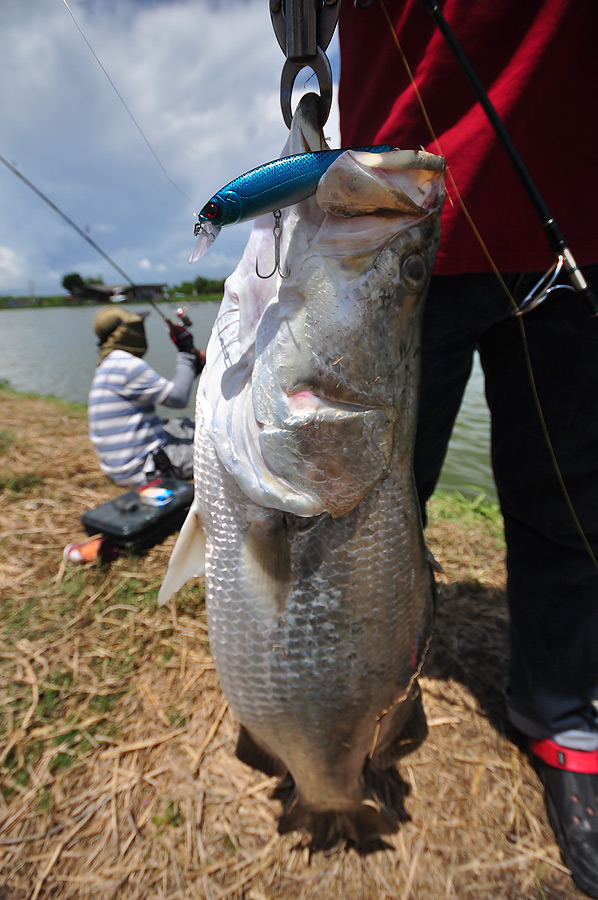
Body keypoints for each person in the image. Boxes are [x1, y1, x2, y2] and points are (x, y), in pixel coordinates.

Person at [338, 0, 598, 896]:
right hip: (393, 212)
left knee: (570, 502)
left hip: (579, 219)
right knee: (359, 516)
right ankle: (349, 700)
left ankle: (563, 714)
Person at [88, 305, 205, 487]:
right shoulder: (125, 364)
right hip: (143, 469)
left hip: (119, 466)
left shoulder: (108, 364)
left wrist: (192, 365)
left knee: (189, 424)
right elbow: (178, 398)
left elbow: (169, 392)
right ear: (126, 331)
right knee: (222, 445)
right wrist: (186, 353)